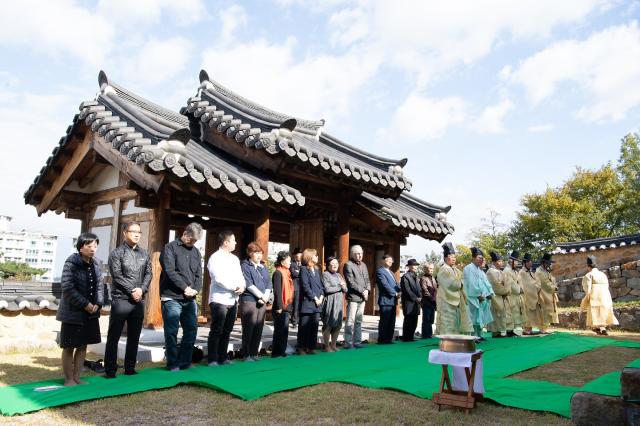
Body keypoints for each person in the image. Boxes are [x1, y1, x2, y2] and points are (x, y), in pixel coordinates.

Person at [105, 221, 152, 378]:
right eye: (133, 231)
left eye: (139, 232)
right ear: (125, 232)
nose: (137, 234)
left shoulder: (144, 254)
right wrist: (132, 290)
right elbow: (117, 276)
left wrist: (141, 290)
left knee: (134, 335)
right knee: (114, 336)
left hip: (138, 300)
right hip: (121, 299)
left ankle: (129, 368)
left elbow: (149, 274)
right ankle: (110, 370)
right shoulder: (117, 253)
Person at [56, 232, 104, 386]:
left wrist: (98, 303)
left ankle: (77, 377)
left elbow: (100, 287)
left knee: (83, 346)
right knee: (69, 346)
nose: (93, 249)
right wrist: (85, 304)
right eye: (89, 246)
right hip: (72, 311)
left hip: (90, 313)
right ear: (80, 247)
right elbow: (67, 287)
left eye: (95, 246)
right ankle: (68, 379)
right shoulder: (71, 262)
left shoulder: (96, 264)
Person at [160, 222, 203, 371]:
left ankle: (185, 362)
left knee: (191, 329)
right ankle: (172, 363)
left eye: (195, 241)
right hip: (171, 296)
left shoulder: (196, 252)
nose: (193, 243)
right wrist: (185, 288)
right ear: (185, 234)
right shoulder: (170, 247)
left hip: (190, 298)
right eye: (191, 239)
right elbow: (170, 271)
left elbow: (199, 274)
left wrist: (195, 290)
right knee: (171, 330)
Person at [206, 230, 245, 366]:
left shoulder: (234, 259)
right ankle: (212, 359)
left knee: (227, 330)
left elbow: (241, 276)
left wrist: (242, 286)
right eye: (233, 240)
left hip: (233, 299)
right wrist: (234, 287)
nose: (236, 243)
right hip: (219, 299)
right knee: (217, 329)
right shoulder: (215, 257)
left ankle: (222, 357)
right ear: (226, 242)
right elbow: (218, 278)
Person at [240, 242, 272, 361]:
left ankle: (254, 353)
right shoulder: (245, 266)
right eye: (256, 253)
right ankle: (246, 354)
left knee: (258, 327)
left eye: (260, 253)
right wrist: (260, 295)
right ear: (250, 254)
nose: (259, 256)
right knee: (249, 327)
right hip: (249, 300)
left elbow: (269, 282)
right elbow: (247, 283)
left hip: (262, 300)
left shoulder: (263, 266)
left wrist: (266, 294)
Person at [436, 242, 473, 335]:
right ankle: (446, 339)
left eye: (454, 257)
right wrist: (460, 283)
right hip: (446, 298)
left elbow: (463, 281)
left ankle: (455, 337)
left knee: (456, 319)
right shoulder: (443, 269)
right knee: (447, 320)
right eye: (450, 256)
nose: (453, 259)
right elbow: (450, 283)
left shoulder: (456, 270)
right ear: (445, 258)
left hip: (456, 297)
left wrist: (460, 283)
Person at [581, 256, 619, 335]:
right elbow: (607, 286)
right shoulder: (603, 274)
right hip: (605, 295)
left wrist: (586, 299)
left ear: (588, 266)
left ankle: (597, 328)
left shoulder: (589, 275)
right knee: (603, 311)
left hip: (595, 295)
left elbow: (587, 288)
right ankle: (602, 328)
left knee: (595, 312)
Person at [463, 247, 495, 340]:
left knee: (479, 317)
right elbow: (471, 283)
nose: (481, 260)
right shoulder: (468, 268)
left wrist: (489, 292)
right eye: (479, 258)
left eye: (482, 258)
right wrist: (478, 295)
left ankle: (479, 335)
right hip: (472, 297)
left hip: (481, 297)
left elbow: (486, 283)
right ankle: (473, 336)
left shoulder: (479, 270)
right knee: (473, 318)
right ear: (473, 258)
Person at [342, 245, 370, 349]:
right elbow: (351, 282)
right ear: (352, 254)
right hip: (353, 297)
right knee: (350, 320)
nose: (359, 255)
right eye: (357, 253)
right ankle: (348, 343)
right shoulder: (348, 265)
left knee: (359, 320)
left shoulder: (364, 265)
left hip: (363, 298)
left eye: (361, 253)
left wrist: (367, 290)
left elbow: (367, 280)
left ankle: (357, 342)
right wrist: (363, 290)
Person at [297, 248, 324, 354]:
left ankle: (311, 347)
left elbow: (321, 286)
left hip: (318, 303)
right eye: (315, 255)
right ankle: (301, 347)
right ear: (309, 257)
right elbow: (305, 286)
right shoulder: (303, 269)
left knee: (314, 326)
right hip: (308, 302)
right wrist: (315, 298)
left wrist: (321, 296)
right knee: (304, 326)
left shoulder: (317, 270)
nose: (317, 257)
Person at [321, 256, 347, 352]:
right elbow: (327, 289)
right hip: (330, 302)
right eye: (332, 264)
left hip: (339, 303)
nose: (335, 265)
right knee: (329, 324)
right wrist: (340, 286)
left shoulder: (339, 275)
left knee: (338, 325)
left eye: (336, 263)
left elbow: (346, 289)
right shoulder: (325, 275)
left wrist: (342, 287)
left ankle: (334, 345)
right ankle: (327, 346)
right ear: (328, 265)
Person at [272, 251, 294, 357]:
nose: (290, 263)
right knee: (279, 331)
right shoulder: (278, 272)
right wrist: (279, 306)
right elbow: (277, 291)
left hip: (287, 306)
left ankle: (282, 351)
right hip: (280, 307)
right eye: (288, 261)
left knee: (285, 330)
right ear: (282, 261)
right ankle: (276, 353)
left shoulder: (287, 272)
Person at [486, 251, 514, 338]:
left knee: (501, 314)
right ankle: (495, 332)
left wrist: (506, 290)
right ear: (494, 262)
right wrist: (505, 291)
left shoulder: (501, 271)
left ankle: (500, 331)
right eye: (499, 261)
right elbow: (495, 285)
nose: (501, 263)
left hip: (502, 295)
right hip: (494, 296)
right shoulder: (490, 272)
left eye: (501, 261)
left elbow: (507, 282)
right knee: (495, 313)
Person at [376, 253, 400, 344]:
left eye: (391, 261)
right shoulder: (380, 271)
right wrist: (395, 293)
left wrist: (400, 291)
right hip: (385, 300)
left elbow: (397, 284)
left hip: (393, 300)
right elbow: (385, 285)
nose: (389, 262)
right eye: (387, 260)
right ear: (383, 261)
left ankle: (389, 339)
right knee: (384, 321)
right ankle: (382, 339)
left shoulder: (391, 272)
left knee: (391, 321)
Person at [520, 253, 544, 335]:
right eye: (528, 261)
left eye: (531, 261)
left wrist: (537, 286)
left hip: (533, 295)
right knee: (527, 312)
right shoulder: (522, 273)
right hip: (526, 296)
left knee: (533, 313)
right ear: (524, 263)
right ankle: (526, 329)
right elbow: (527, 285)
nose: (530, 263)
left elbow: (537, 282)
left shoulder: (530, 272)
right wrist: (536, 286)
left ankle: (530, 329)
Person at [535, 253, 559, 333]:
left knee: (548, 311)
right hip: (542, 293)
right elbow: (545, 283)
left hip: (548, 293)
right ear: (543, 263)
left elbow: (553, 280)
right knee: (544, 311)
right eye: (548, 263)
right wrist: (554, 287)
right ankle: (542, 329)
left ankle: (545, 328)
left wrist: (554, 285)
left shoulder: (546, 271)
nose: (549, 264)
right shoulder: (539, 272)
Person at [504, 250, 526, 335]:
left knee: (516, 311)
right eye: (516, 261)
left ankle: (512, 329)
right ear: (511, 261)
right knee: (510, 311)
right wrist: (519, 289)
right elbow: (511, 283)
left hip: (516, 295)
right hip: (510, 294)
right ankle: (509, 330)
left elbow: (519, 281)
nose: (517, 263)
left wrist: (521, 288)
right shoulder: (506, 271)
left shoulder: (514, 271)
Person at [400, 259, 421, 341]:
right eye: (413, 265)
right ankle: (406, 337)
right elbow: (407, 290)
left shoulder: (416, 276)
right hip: (409, 302)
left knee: (414, 321)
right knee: (408, 320)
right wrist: (416, 298)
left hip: (416, 303)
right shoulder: (405, 277)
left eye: (416, 265)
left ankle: (411, 336)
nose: (415, 267)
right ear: (409, 266)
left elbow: (419, 289)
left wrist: (420, 298)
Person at [419, 262, 437, 338]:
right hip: (427, 302)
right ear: (425, 269)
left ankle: (429, 334)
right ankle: (425, 335)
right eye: (429, 268)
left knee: (431, 319)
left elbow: (436, 290)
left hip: (433, 302)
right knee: (426, 319)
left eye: (432, 269)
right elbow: (425, 291)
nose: (431, 270)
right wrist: (433, 299)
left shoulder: (433, 278)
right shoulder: (423, 278)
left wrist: (436, 300)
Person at [289, 248, 302, 327]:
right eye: (297, 255)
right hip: (295, 286)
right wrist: (300, 273)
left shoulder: (304, 264)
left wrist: (299, 272)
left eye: (300, 255)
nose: (299, 257)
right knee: (296, 304)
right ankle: (294, 321)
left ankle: (300, 319)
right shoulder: (292, 264)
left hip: (302, 286)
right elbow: (293, 274)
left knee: (301, 304)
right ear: (295, 256)